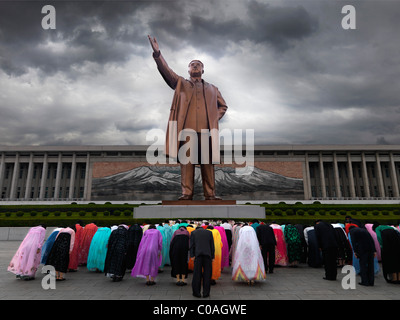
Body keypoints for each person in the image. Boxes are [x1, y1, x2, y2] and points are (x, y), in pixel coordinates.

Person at [148, 35, 228, 201]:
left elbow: (223, 106)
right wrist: (157, 54)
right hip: (187, 131)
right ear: (188, 69)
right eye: (192, 64)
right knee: (187, 162)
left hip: (206, 131)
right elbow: (166, 71)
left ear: (203, 70)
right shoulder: (180, 84)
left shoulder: (213, 88)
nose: (195, 66)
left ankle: (210, 194)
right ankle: (186, 193)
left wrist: (214, 118)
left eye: (198, 64)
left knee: (207, 164)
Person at [190, 225, 215, 298]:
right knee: (207, 275)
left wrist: (192, 255)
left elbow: (191, 245)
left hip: (198, 255)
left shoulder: (193, 233)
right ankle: (206, 293)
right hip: (208, 255)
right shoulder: (209, 233)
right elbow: (212, 245)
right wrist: (212, 256)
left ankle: (196, 293)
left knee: (197, 274)